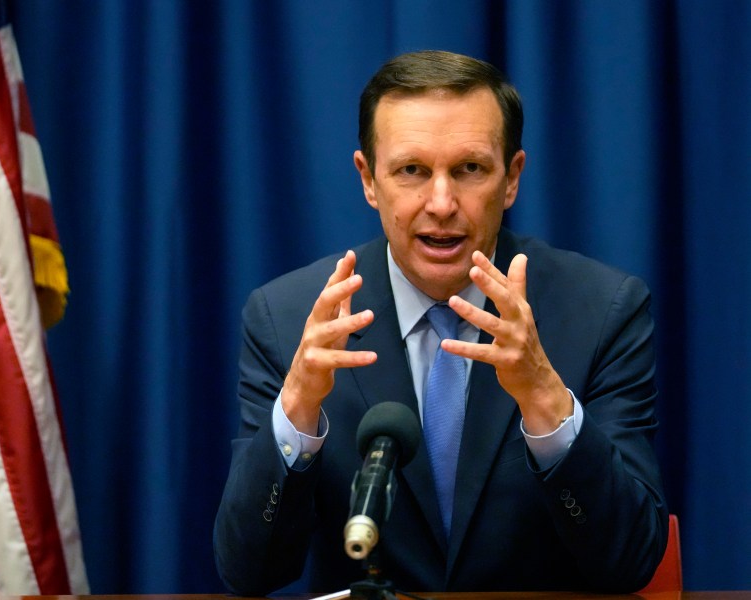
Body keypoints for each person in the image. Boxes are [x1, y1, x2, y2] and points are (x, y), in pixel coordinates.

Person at [213, 50, 668, 595]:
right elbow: (248, 573)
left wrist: (546, 400)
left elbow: (633, 561)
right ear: (369, 180)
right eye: (412, 170)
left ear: (512, 178)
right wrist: (297, 414)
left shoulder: (602, 310)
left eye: (469, 169)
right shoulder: (289, 320)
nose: (442, 202)